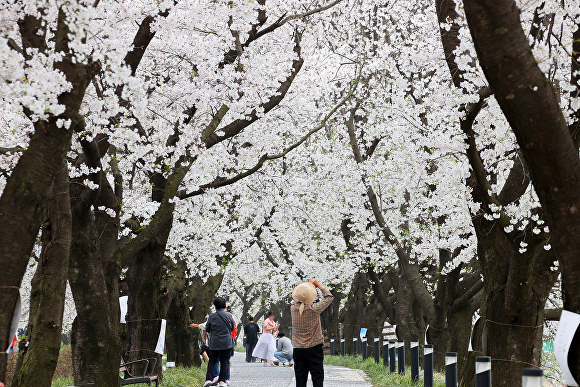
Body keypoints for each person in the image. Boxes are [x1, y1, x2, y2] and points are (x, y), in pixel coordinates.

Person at [291, 278, 334, 387]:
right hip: (314, 347)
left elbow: (299, 298)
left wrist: (304, 287)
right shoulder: (314, 309)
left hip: (298, 349)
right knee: (317, 376)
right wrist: (317, 285)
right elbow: (329, 297)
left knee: (300, 379)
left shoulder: (293, 308)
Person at [203, 297, 235, 387]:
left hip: (215, 343)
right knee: (224, 361)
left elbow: (207, 329)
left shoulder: (212, 316)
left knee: (212, 361)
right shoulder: (229, 316)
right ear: (224, 305)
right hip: (226, 343)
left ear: (215, 306)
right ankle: (222, 381)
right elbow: (232, 328)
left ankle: (208, 379)